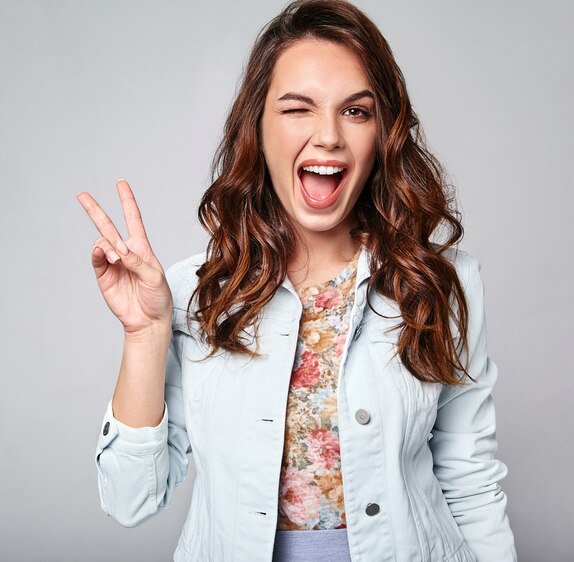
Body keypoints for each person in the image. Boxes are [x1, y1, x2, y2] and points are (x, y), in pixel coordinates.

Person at [77, 1, 517, 560]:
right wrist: (144, 335)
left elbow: (470, 475)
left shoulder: (440, 282)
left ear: (384, 133)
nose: (328, 136)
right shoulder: (194, 293)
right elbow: (129, 499)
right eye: (297, 109)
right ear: (257, 128)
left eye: (356, 111)